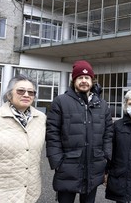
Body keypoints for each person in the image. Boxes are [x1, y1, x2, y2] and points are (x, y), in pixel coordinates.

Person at [46, 60, 113, 203]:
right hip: (67, 166)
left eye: (87, 78)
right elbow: (52, 134)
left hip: (94, 165)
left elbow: (108, 133)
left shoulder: (102, 105)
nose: (84, 81)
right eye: (80, 78)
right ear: (74, 80)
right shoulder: (61, 101)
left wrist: (106, 157)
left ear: (92, 80)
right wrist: (57, 161)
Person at [0, 74, 46, 203]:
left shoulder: (41, 118)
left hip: (30, 191)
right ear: (9, 94)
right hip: (3, 192)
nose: (26, 94)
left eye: (31, 92)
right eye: (20, 91)